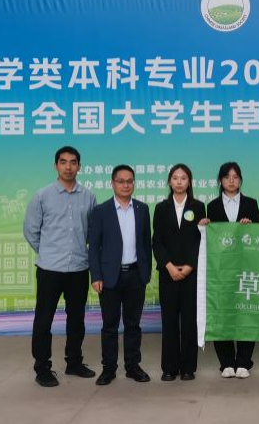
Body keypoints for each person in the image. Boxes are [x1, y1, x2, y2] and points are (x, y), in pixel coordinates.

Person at [23, 146, 97, 387]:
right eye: (63, 162)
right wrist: (48, 252)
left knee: (76, 320)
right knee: (43, 320)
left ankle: (74, 362)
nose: (68, 167)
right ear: (56, 165)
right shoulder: (42, 195)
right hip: (50, 270)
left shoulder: (89, 196)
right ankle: (42, 368)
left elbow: (91, 232)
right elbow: (30, 230)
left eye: (73, 162)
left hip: (78, 268)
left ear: (79, 166)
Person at [88, 165, 152, 385]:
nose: (126, 185)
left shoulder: (142, 209)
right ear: (112, 183)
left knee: (133, 325)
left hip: (135, 275)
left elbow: (146, 243)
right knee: (110, 326)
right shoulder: (101, 211)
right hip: (109, 277)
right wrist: (96, 276)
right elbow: (94, 247)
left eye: (130, 181)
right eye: (121, 181)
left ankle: (133, 366)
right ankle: (109, 369)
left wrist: (145, 273)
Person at [152, 164, 207, 381]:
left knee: (189, 321)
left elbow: (200, 239)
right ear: (169, 181)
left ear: (189, 182)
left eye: (183, 178)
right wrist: (169, 266)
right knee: (169, 321)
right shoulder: (161, 208)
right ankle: (169, 368)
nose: (179, 181)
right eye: (175, 178)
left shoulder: (198, 206)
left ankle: (188, 368)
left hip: (191, 274)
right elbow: (157, 242)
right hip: (168, 273)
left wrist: (190, 265)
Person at [206, 162, 259, 379]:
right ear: (220, 180)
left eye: (235, 176)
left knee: (247, 312)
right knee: (222, 313)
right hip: (221, 271)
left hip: (246, 268)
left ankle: (244, 362)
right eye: (227, 177)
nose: (231, 180)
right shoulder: (212, 206)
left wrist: (250, 226)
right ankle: (226, 362)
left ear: (240, 180)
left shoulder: (251, 204)